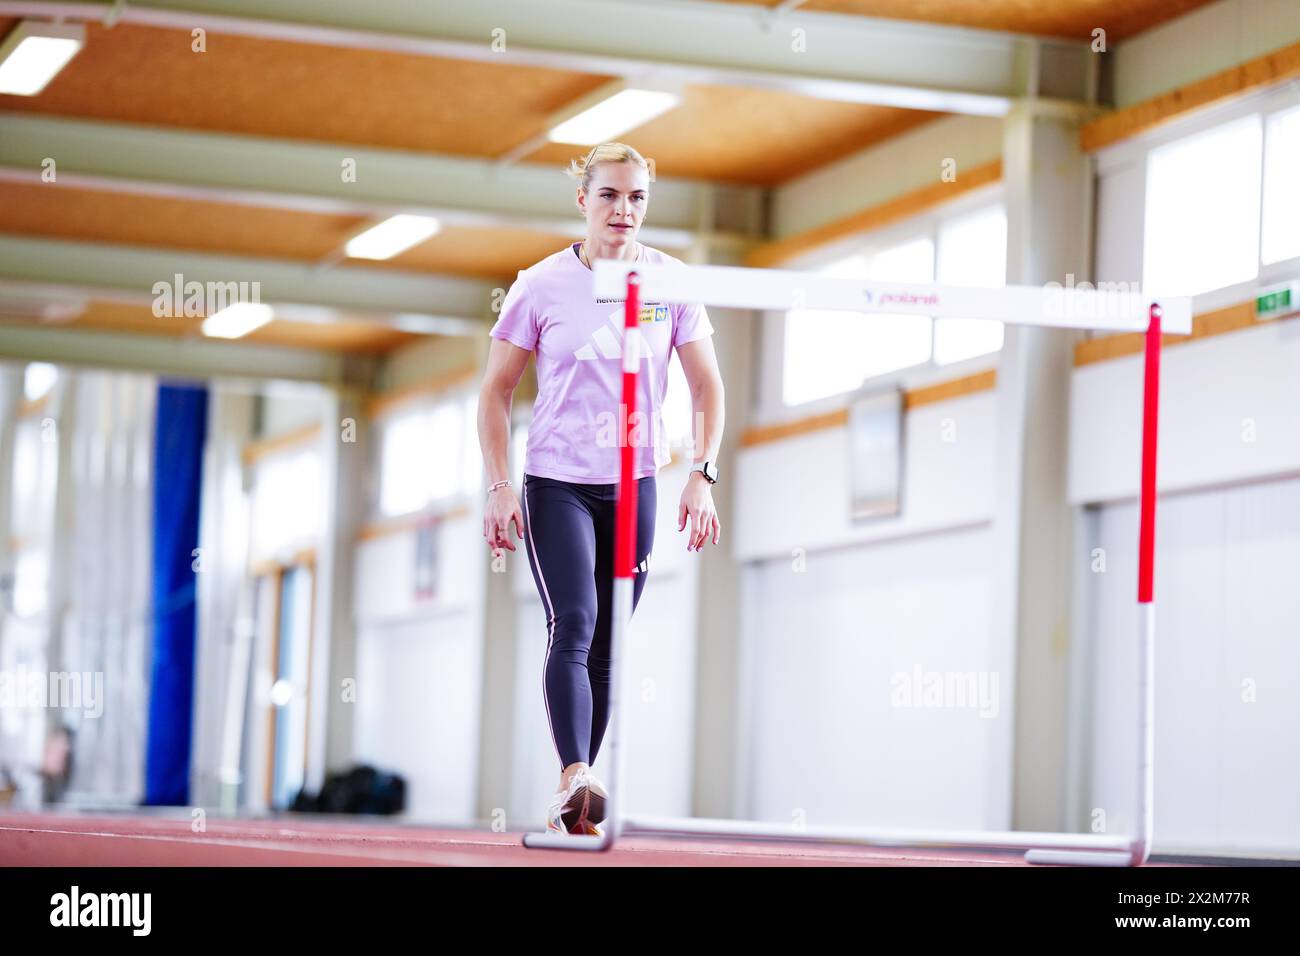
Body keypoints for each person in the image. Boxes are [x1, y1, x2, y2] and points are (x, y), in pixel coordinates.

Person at [477, 142, 725, 835]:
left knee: (613, 639)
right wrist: (500, 486)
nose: (624, 210)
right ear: (582, 199)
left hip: (635, 479)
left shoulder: (670, 283)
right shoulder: (540, 285)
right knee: (576, 622)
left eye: (638, 197)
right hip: (558, 481)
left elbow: (708, 385)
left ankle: (576, 800)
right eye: (611, 195)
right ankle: (576, 776)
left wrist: (701, 475)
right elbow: (495, 392)